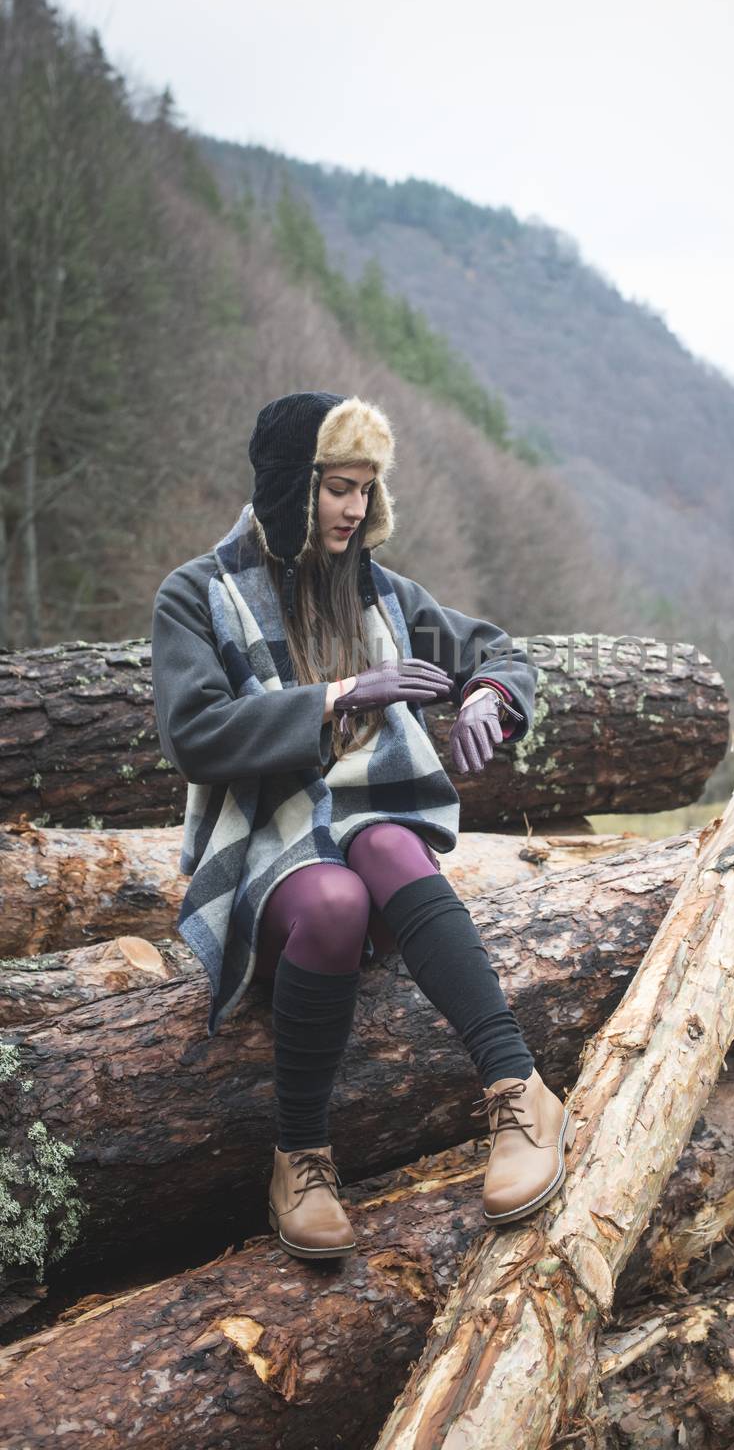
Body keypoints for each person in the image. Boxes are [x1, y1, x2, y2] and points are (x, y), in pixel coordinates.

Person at [150, 389, 577, 1260]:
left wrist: (494, 694)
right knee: (338, 896)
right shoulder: (196, 595)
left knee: (384, 838)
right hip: (267, 866)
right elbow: (193, 735)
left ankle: (518, 1090)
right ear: (287, 487)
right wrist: (338, 695)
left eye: (364, 488)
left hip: (371, 847)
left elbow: (501, 651)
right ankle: (299, 1157)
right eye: (336, 487)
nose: (353, 509)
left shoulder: (380, 592)